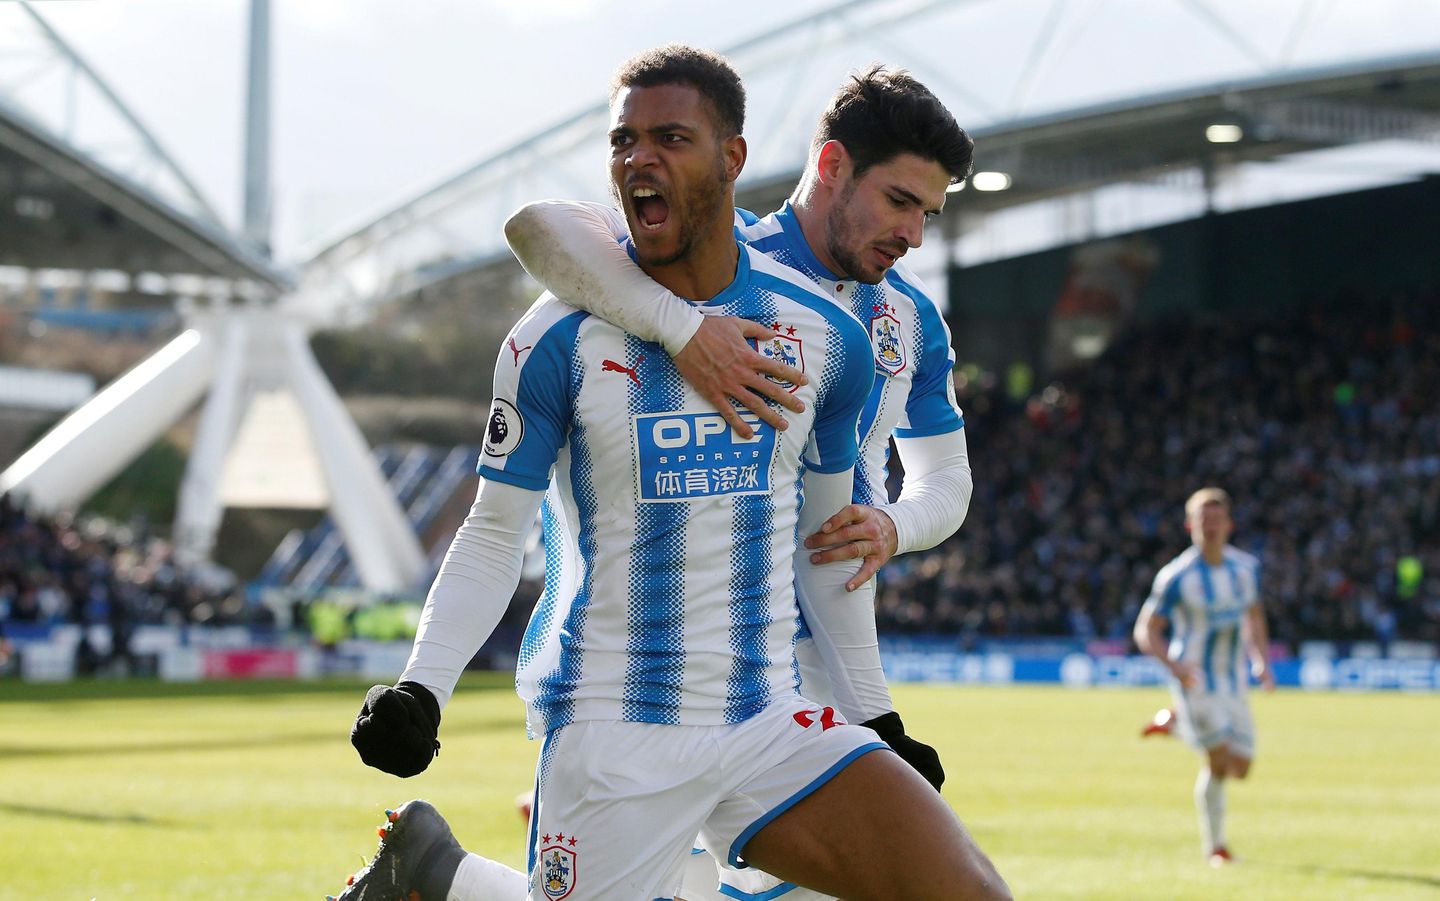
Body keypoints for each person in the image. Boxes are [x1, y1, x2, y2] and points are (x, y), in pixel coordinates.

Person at [341, 45, 1008, 901]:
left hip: (775, 704)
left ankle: (441, 875)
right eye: (624, 141)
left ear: (729, 156)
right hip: (618, 720)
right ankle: (441, 878)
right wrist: (424, 689)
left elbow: (831, 543)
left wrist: (875, 712)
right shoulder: (567, 324)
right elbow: (493, 527)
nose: (639, 159)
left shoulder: (846, 335)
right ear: (830, 167)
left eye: (669, 139)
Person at [1132, 487, 1274, 866]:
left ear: (1230, 524)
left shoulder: (1246, 569)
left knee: (1239, 769)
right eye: (1202, 520)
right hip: (1194, 681)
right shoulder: (1177, 576)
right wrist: (1173, 666)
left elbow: (1255, 616)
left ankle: (1175, 725)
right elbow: (1146, 630)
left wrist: (1261, 659)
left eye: (1216, 520)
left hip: (1233, 680)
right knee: (1217, 760)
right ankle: (1217, 848)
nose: (1210, 527)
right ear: (1189, 525)